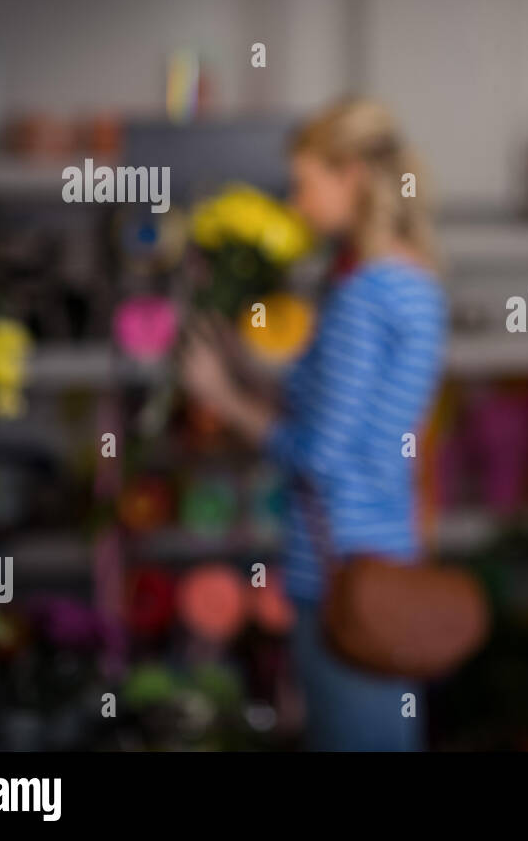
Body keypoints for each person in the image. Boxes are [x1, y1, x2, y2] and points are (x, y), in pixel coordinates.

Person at [179, 97, 448, 751]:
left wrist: (222, 396)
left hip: (338, 575)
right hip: (385, 554)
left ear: (351, 175)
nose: (297, 204)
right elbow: (347, 411)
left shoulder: (364, 292)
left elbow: (321, 454)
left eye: (305, 183)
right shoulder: (410, 279)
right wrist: (248, 364)